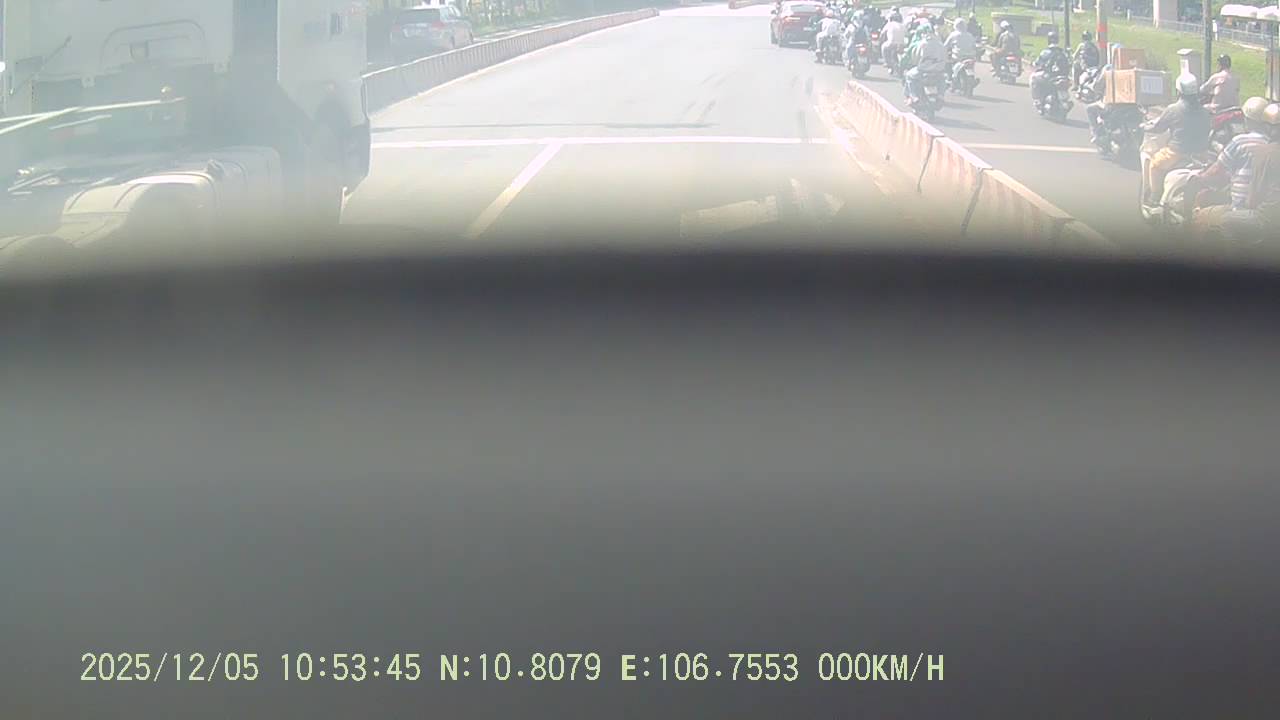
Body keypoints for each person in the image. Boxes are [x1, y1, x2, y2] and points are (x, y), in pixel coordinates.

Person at [1190, 97, 1272, 230]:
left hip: (1240, 209)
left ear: (1246, 119)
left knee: (1198, 217)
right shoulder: (1273, 145)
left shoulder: (1240, 142)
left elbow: (1216, 171)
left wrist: (1199, 178)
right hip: (1264, 210)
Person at [1143, 74, 1212, 204]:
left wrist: (1145, 127)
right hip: (1201, 154)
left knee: (1154, 165)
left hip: (1176, 153)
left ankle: (1155, 197)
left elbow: (1159, 128)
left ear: (1178, 91)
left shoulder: (1173, 109)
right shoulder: (1205, 112)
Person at [904, 23, 946, 103]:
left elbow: (915, 58)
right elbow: (945, 57)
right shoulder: (940, 44)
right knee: (942, 79)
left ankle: (914, 96)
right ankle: (941, 95)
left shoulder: (922, 44)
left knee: (909, 76)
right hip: (938, 70)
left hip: (923, 70)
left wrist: (918, 63)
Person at [1030, 31, 1071, 107]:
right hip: (1064, 76)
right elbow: (1069, 63)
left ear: (1048, 40)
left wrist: (1033, 63)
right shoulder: (1063, 52)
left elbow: (1037, 62)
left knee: (1033, 77)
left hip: (1050, 76)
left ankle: (1037, 99)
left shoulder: (1045, 52)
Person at [944, 18, 978, 88]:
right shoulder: (970, 35)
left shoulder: (953, 35)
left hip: (958, 57)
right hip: (970, 57)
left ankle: (950, 79)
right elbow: (974, 46)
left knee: (947, 63)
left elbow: (945, 46)